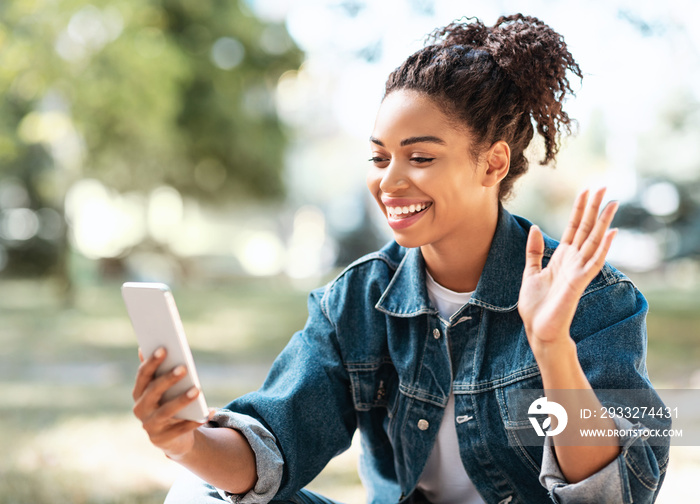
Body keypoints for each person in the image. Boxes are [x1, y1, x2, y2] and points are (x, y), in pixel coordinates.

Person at [132, 14, 670, 504]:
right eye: (379, 157)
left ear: (493, 163)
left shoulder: (591, 295)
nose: (389, 181)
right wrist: (185, 441)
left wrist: (552, 347)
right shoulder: (358, 301)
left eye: (420, 157)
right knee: (196, 493)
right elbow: (273, 446)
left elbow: (615, 497)